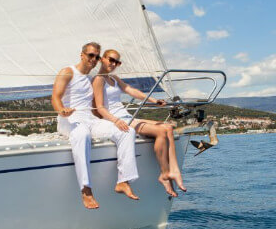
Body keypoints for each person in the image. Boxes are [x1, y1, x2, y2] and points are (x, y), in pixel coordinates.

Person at [52, 42, 139, 209]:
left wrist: (113, 119)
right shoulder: (68, 72)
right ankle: (86, 189)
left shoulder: (92, 79)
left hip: (89, 119)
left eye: (97, 56)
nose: (94, 59)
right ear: (82, 55)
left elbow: (99, 105)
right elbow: (55, 96)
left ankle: (123, 181)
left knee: (127, 131)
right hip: (68, 119)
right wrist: (62, 110)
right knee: (82, 134)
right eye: (90, 55)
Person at [92, 49, 186, 198]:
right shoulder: (98, 79)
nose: (113, 63)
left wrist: (153, 101)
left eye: (117, 62)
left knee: (168, 127)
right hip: (118, 119)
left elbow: (131, 90)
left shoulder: (114, 78)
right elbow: (100, 108)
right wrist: (116, 121)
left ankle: (173, 170)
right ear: (102, 59)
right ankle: (164, 173)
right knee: (160, 131)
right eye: (111, 59)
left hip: (126, 115)